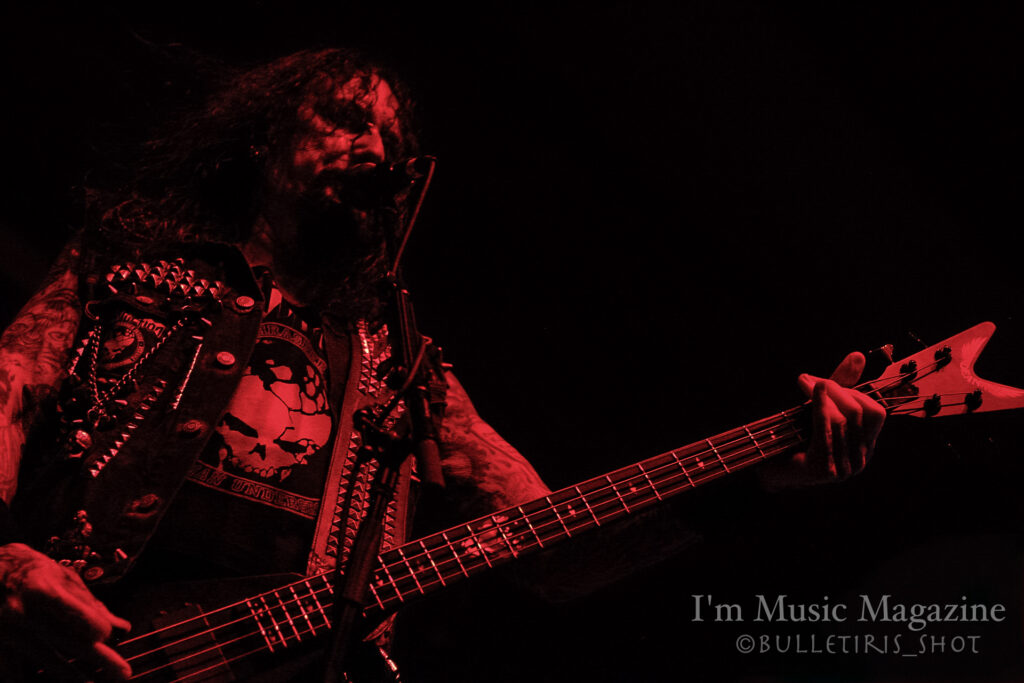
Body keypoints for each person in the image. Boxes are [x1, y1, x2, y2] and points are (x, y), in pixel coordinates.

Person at [0, 47, 884, 681]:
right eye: (348, 119)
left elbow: (555, 553)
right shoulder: (133, 267)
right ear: (263, 139)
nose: (376, 152)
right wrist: (5, 565)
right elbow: (5, 394)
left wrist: (760, 475)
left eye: (390, 138)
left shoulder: (400, 364)